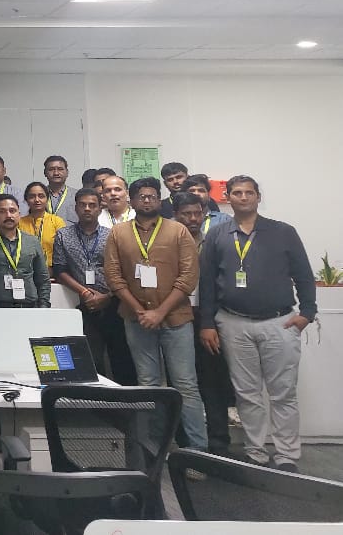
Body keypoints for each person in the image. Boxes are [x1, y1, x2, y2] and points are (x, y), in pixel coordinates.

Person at [199, 175, 317, 471]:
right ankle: (256, 453)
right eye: (237, 193)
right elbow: (207, 282)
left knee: (283, 393)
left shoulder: (283, 232)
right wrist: (207, 323)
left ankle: (287, 456)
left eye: (248, 192)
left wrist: (307, 313)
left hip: (279, 322)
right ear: (228, 197)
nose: (243, 197)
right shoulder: (217, 234)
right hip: (233, 323)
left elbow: (304, 274)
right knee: (246, 393)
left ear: (258, 197)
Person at [103, 177, 206, 450]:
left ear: (160, 200)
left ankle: (198, 451)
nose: (147, 200)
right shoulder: (118, 233)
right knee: (148, 383)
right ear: (132, 201)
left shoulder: (178, 231)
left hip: (176, 319)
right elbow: (113, 277)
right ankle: (157, 448)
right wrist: (140, 311)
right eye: (141, 196)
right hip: (136, 320)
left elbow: (188, 277)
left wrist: (160, 312)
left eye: (152, 196)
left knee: (185, 385)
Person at [52, 188, 136, 385]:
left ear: (100, 208)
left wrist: (107, 297)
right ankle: (96, 399)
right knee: (92, 358)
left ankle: (127, 400)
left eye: (92, 205)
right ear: (76, 208)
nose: (87, 209)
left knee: (122, 357)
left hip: (113, 302)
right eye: (83, 205)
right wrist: (84, 292)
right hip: (83, 304)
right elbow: (60, 270)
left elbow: (125, 271)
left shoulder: (113, 235)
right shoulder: (63, 235)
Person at [174, 192, 234, 455]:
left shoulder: (213, 241)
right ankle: (185, 439)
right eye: (186, 214)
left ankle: (218, 439)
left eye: (197, 213)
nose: (193, 219)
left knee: (213, 379)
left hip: (208, 317)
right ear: (176, 215)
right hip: (177, 315)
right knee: (183, 381)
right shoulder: (169, 241)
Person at [0, 195, 51, 308]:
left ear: (19, 214)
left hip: (29, 307)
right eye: (2, 211)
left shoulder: (32, 241)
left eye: (12, 211)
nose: (8, 215)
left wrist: (43, 306)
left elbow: (43, 278)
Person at [17, 181, 65, 268]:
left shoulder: (57, 222)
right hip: (26, 270)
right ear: (26, 200)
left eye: (41, 196)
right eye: (32, 196)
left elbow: (63, 252)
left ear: (47, 199)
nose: (37, 200)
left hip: (52, 270)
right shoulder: (19, 223)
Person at [43, 155, 77, 223]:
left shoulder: (77, 195)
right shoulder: (38, 196)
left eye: (60, 169)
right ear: (45, 173)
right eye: (51, 169)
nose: (56, 173)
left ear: (67, 172)